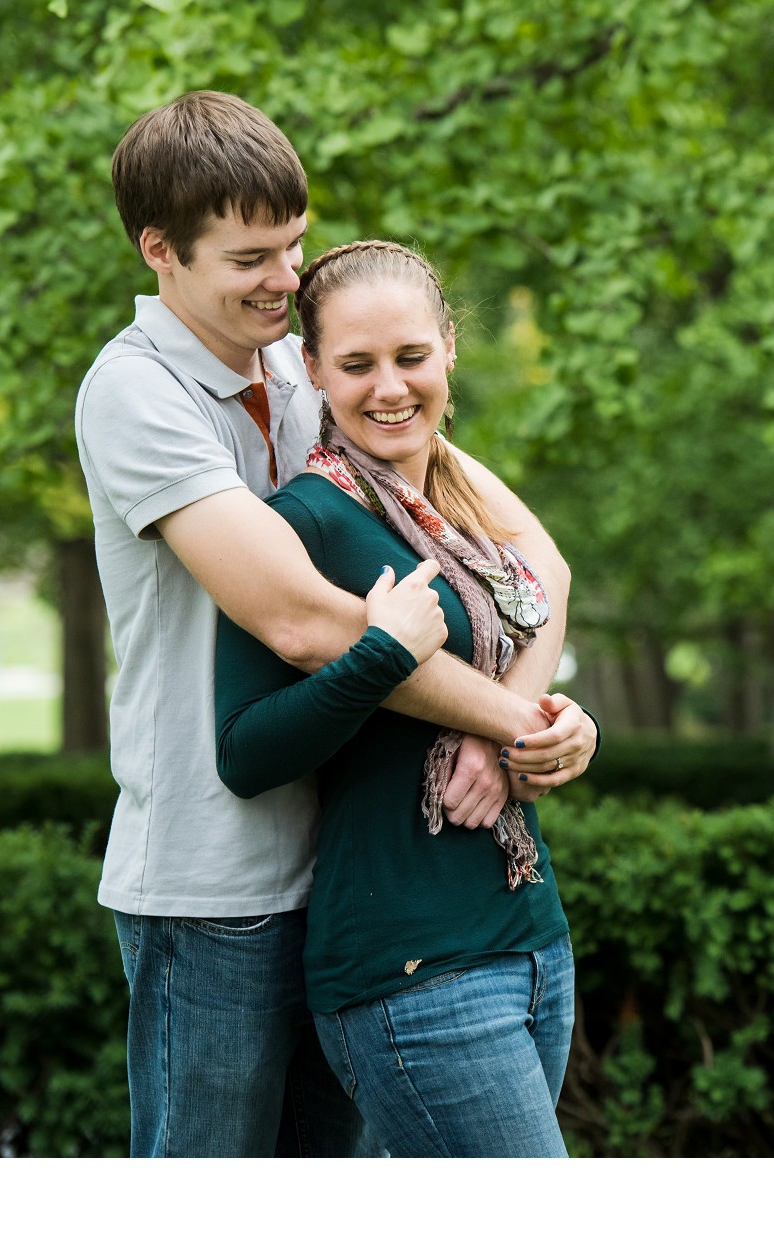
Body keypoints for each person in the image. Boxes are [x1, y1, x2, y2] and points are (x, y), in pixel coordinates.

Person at [73, 91, 598, 1156]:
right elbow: (306, 621)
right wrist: (503, 720)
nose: (287, 279)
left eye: (296, 246)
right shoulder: (136, 394)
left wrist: (520, 729)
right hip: (209, 882)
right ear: (160, 250)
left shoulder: (305, 364)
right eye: (252, 257)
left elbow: (533, 560)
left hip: (345, 879)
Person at [212, 239, 577, 1157]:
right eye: (358, 364)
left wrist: (542, 731)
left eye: (411, 357)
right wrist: (378, 657)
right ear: (312, 368)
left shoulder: (450, 502)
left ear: (449, 348)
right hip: (410, 970)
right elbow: (245, 752)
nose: (389, 387)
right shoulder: (304, 517)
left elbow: (542, 589)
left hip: (530, 939)